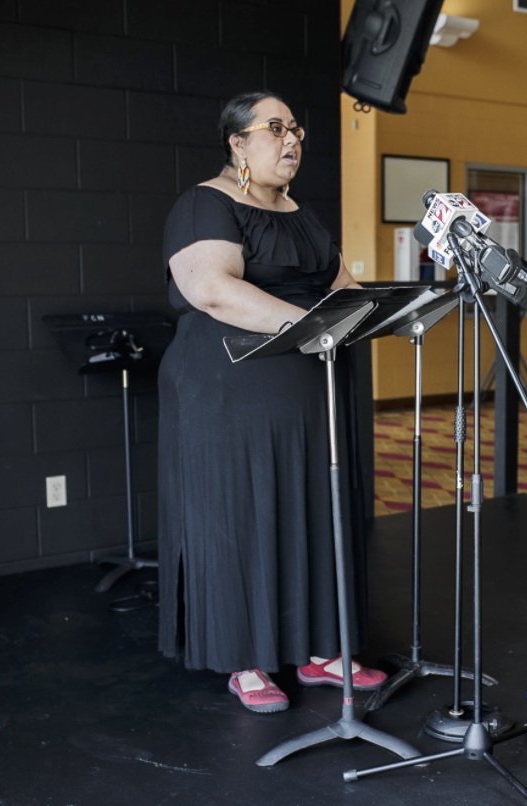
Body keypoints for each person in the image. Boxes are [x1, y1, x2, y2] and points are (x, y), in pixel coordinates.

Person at [156, 90, 386, 713]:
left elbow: (344, 289)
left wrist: (382, 311)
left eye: (297, 131)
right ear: (237, 142)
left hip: (311, 393)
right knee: (242, 517)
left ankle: (320, 649)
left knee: (315, 511)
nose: (293, 142)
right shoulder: (205, 204)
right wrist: (315, 326)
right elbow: (212, 290)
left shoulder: (302, 214)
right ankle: (245, 658)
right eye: (276, 129)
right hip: (227, 392)